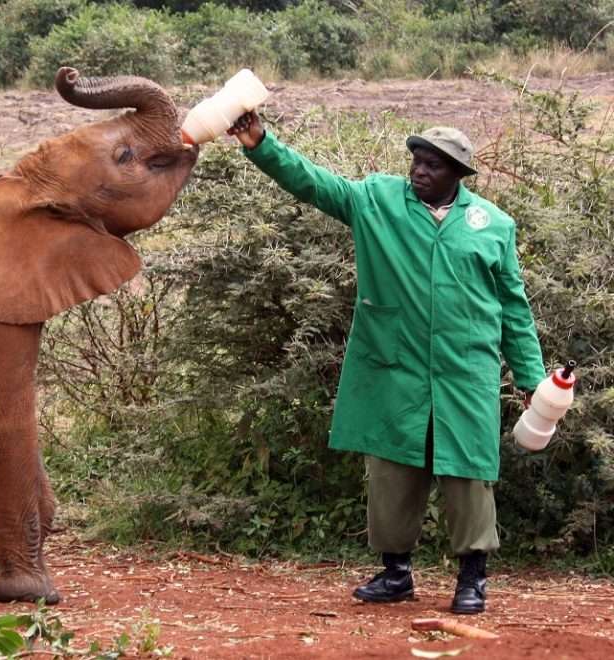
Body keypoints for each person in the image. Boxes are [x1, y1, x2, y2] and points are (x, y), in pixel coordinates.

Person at [227, 111, 546, 615]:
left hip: (467, 370)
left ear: (458, 174)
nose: (420, 170)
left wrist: (532, 380)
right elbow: (314, 183)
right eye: (417, 160)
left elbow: (513, 308)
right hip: (396, 366)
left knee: (469, 472)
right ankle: (396, 573)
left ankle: (472, 578)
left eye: (434, 165)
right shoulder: (377, 201)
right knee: (393, 471)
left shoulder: (493, 225)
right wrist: (260, 143)